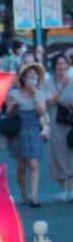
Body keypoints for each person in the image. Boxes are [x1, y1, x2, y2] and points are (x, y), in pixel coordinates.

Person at [2, 62, 50, 207]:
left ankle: (34, 196)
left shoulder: (40, 93)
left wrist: (35, 95)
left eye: (35, 77)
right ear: (23, 78)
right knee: (21, 165)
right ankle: (24, 194)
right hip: (19, 132)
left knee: (34, 162)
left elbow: (42, 112)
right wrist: (14, 106)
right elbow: (8, 114)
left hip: (34, 129)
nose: (32, 80)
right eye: (29, 77)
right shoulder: (13, 94)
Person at [46, 53, 73, 200]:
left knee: (71, 154)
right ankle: (63, 190)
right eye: (58, 64)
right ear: (54, 66)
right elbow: (48, 103)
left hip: (71, 122)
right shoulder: (48, 82)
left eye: (64, 64)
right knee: (58, 154)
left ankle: (72, 189)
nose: (62, 67)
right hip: (55, 123)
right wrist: (61, 89)